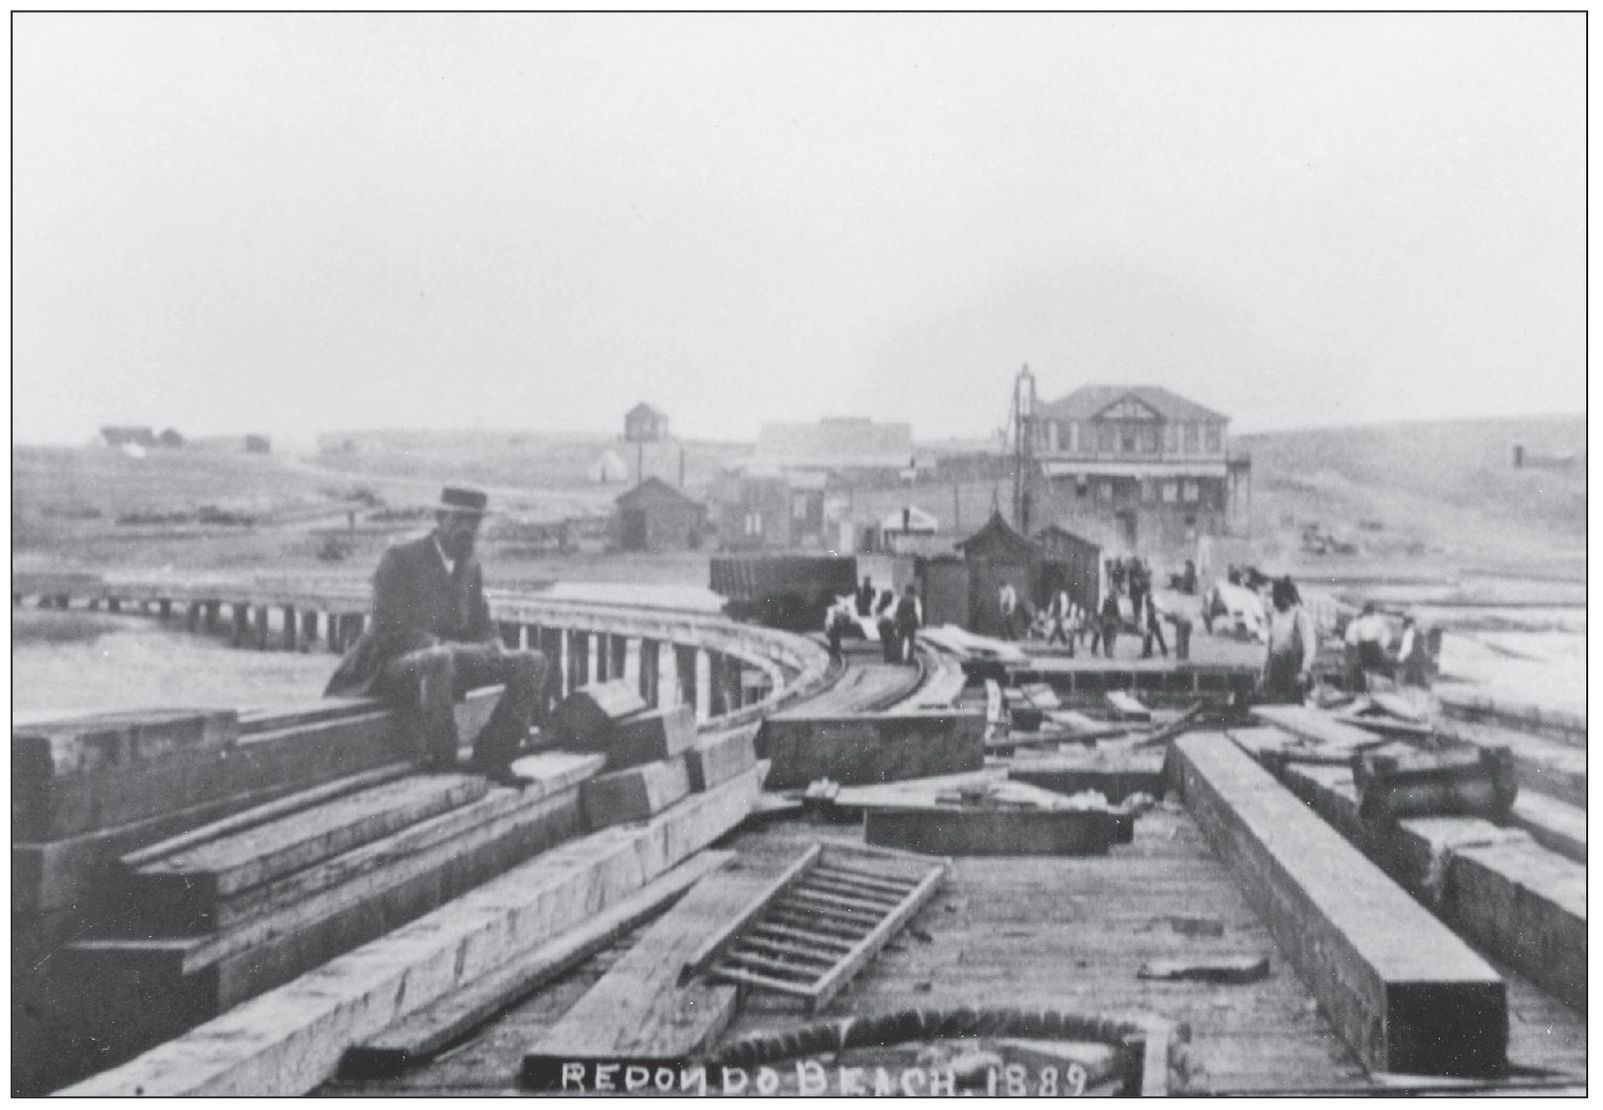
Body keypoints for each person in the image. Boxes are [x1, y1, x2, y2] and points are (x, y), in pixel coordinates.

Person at [325, 487, 547, 786]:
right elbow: (385, 629)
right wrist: (443, 647)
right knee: (439, 658)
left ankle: (493, 757)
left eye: (475, 521)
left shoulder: (470, 565)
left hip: (447, 665)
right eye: (459, 520)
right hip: (391, 667)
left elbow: (482, 622)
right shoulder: (400, 559)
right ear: (440, 519)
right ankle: (444, 764)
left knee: (532, 662)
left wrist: (494, 644)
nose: (468, 529)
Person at [1260, 576, 1317, 704]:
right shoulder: (1275, 615)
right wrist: (1264, 672)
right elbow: (1270, 645)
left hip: (1294, 669)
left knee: (1293, 705)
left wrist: (1305, 671)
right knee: (1274, 703)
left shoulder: (1300, 615)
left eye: (1279, 597)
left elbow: (1310, 645)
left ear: (1287, 596)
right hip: (1276, 667)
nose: (1276, 600)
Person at [1397, 613, 1430, 688]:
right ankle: (1422, 688)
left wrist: (1400, 658)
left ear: (1406, 625)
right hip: (1421, 657)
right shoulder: (1419, 632)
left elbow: (1406, 648)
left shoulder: (1408, 633)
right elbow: (1424, 645)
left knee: (1410, 677)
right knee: (1420, 675)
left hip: (1412, 658)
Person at [893, 584, 923, 664]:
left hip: (901, 622)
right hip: (911, 623)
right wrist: (919, 623)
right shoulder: (915, 599)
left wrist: (896, 621)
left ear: (906, 591)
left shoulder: (900, 599)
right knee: (911, 641)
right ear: (913, 591)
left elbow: (896, 611)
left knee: (900, 641)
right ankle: (909, 660)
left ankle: (899, 659)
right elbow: (918, 612)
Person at [1098, 588, 1123, 659]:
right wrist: (1120, 620)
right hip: (1113, 622)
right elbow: (1118, 613)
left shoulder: (1105, 601)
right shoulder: (1115, 602)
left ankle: (1106, 652)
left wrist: (1101, 620)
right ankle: (1110, 653)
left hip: (1105, 621)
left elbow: (1102, 612)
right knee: (1112, 638)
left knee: (1105, 638)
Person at [875, 588, 898, 663]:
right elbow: (893, 616)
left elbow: (877, 616)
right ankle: (892, 658)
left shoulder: (879, 606)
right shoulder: (891, 606)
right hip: (888, 624)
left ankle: (886, 658)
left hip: (881, 625)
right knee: (892, 641)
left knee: (885, 642)